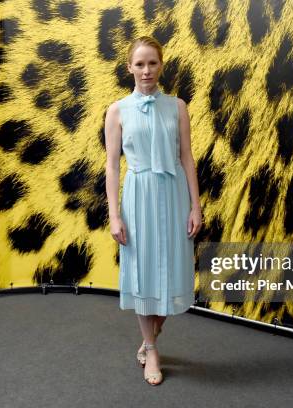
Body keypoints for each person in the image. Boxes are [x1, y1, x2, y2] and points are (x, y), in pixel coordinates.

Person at [104, 36, 202, 386]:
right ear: (129, 67)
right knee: (144, 273)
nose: (146, 70)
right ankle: (151, 349)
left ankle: (151, 336)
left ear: (162, 66)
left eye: (152, 63)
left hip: (173, 195)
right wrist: (115, 215)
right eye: (140, 64)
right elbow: (113, 167)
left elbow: (187, 158)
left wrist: (196, 205)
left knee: (171, 272)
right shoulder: (117, 110)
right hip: (139, 196)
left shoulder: (178, 106)